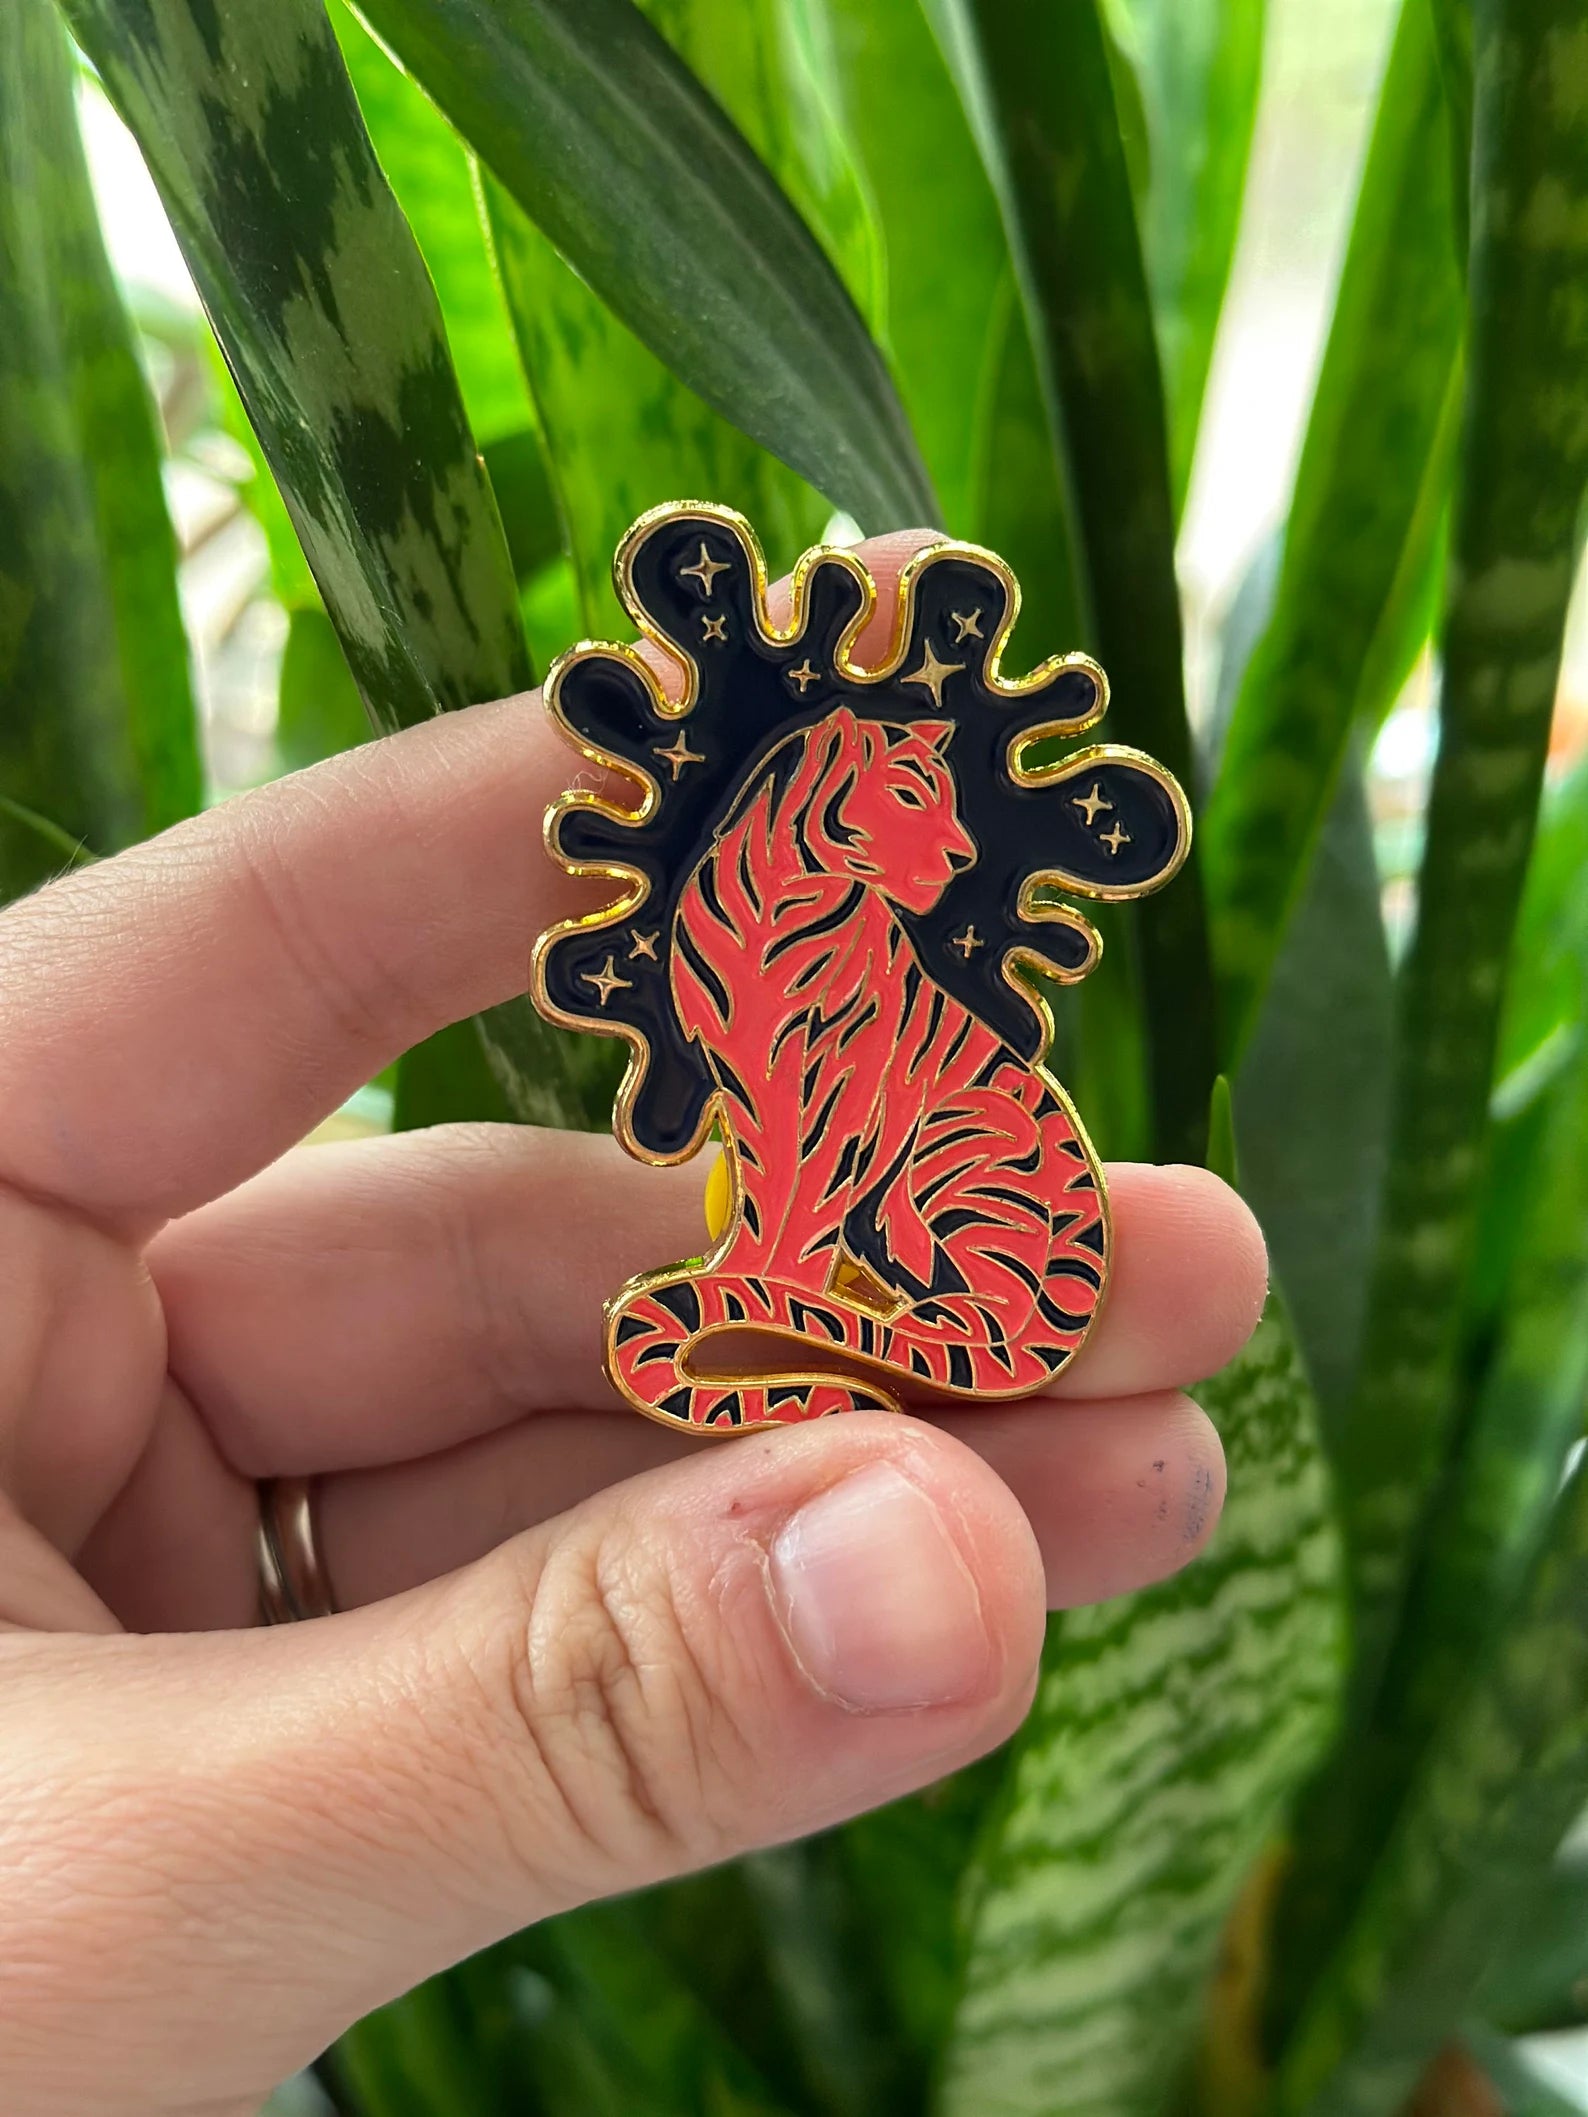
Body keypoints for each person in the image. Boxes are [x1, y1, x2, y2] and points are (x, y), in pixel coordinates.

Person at [0, 531, 1265, 2117]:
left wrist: (784, 1291)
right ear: (840, 803)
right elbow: (796, 1143)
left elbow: (828, 1147)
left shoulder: (862, 971)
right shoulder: (767, 937)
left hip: (988, 1257)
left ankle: (828, 1316)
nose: (944, 853)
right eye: (916, 816)